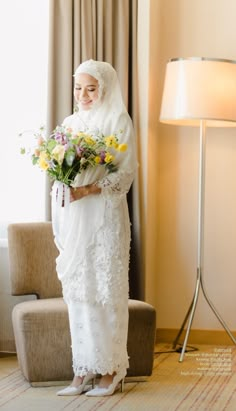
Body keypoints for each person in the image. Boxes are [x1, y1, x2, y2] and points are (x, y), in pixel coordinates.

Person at [54, 59, 138, 397]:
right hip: (76, 218)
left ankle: (111, 369)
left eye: (91, 88)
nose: (84, 94)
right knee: (79, 292)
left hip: (105, 219)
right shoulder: (70, 123)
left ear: (103, 88)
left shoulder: (118, 120)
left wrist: (88, 189)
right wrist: (62, 186)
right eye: (78, 87)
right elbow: (58, 164)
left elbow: (125, 173)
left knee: (105, 291)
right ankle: (83, 369)